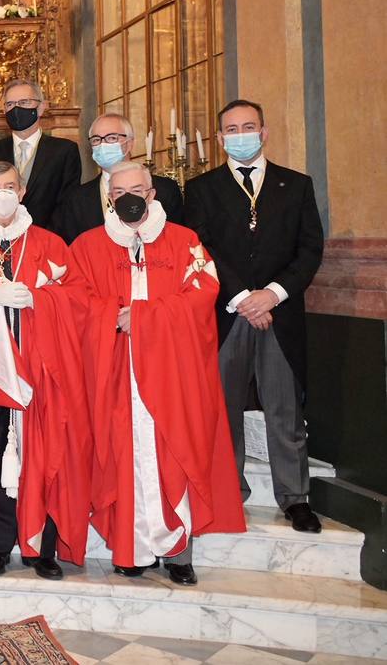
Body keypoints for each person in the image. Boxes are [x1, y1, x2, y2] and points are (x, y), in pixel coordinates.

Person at [69, 162, 247, 584]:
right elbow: (76, 299)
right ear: (109, 198)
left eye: (136, 189)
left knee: (174, 446)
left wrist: (144, 318)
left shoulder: (185, 241)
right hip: (116, 369)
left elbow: (203, 294)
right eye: (118, 191)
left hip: (171, 372)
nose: (127, 197)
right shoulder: (88, 245)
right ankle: (131, 548)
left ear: (152, 193)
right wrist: (115, 317)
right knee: (123, 452)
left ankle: (179, 552)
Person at [0, 162, 92, 581]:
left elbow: (78, 300)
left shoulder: (49, 242)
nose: (3, 193)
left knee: (43, 457)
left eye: (10, 186)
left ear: (22, 191)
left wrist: (41, 301)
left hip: (39, 372)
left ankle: (42, 547)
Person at [184, 99, 325, 534]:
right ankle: (231, 491)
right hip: (228, 314)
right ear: (221, 137)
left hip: (280, 314)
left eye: (249, 126)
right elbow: (200, 248)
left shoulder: (296, 185)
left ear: (263, 133)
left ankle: (294, 497)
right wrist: (244, 297)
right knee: (223, 410)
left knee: (284, 409)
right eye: (231, 128)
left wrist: (272, 294)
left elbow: (309, 249)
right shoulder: (202, 188)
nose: (240, 134)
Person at [53, 113, 184, 242]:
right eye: (96, 140)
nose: (102, 145)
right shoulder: (75, 199)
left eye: (111, 138)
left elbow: (177, 240)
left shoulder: (165, 189)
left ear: (129, 143)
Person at [0, 79, 81, 235]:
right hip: (0, 239)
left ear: (41, 108)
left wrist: (44, 239)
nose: (16, 109)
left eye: (24, 102)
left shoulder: (64, 151)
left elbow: (68, 203)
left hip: (47, 240)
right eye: (10, 104)